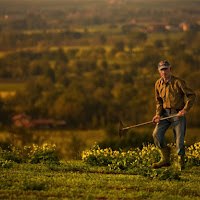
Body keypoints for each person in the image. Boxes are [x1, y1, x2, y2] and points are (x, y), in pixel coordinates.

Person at [152, 60, 196, 171]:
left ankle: (180, 163)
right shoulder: (158, 84)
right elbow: (158, 102)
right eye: (162, 70)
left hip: (178, 114)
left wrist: (185, 109)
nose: (164, 72)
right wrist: (157, 115)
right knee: (156, 135)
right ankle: (165, 158)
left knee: (179, 140)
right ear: (159, 71)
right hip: (165, 114)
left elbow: (191, 96)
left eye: (166, 69)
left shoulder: (178, 82)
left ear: (170, 69)